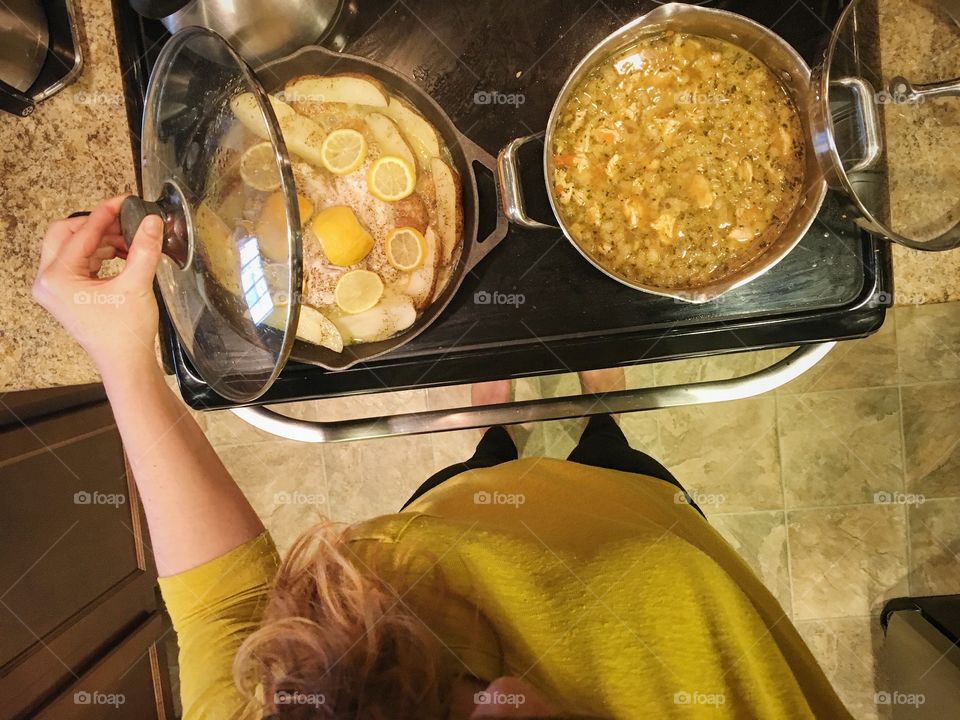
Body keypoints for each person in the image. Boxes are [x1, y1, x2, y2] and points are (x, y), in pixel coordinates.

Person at [32, 197, 853, 719]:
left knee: (473, 476)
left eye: (453, 690)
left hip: (450, 524)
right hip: (640, 528)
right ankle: (599, 409)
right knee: (619, 461)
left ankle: (493, 430)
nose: (505, 692)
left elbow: (221, 607)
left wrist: (124, 361)